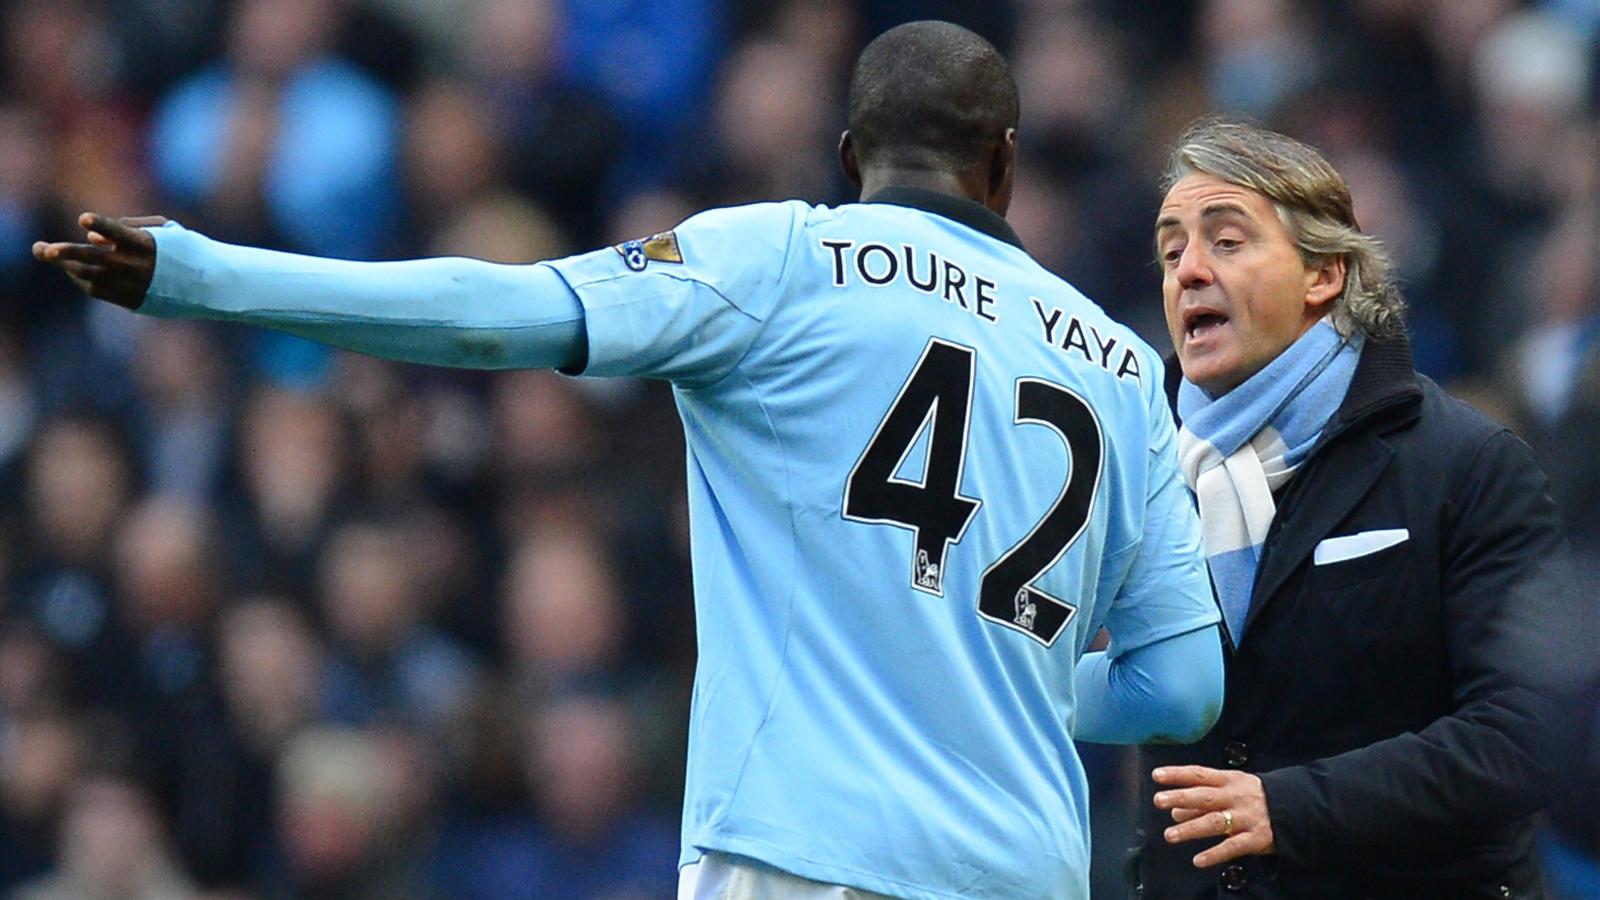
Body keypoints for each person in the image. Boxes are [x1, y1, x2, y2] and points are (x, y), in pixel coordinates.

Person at [35, 22, 1226, 899]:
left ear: (850, 149)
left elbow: (487, 309)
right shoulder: (1120, 365)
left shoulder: (783, 260)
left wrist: (202, 275)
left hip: (807, 854)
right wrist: (993, 666)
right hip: (1023, 867)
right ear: (1006, 166)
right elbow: (1182, 690)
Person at [1133, 118, 1583, 899]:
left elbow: (1523, 738)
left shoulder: (1465, 464)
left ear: (1325, 274)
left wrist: (1290, 806)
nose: (1190, 271)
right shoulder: (1141, 476)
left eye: (1228, 242)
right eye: (1172, 252)